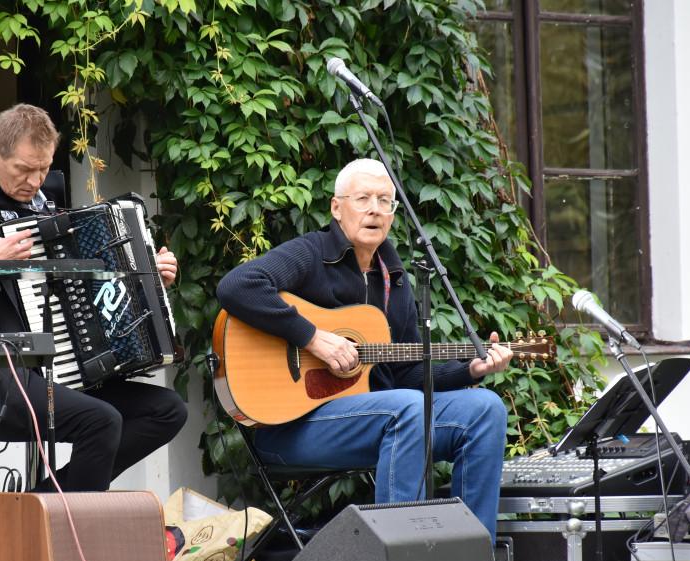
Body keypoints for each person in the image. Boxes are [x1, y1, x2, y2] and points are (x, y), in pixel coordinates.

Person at [0, 103, 187, 492]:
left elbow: (86, 293)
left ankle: (39, 507)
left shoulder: (51, 210)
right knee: (101, 421)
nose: (35, 181)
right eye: (24, 169)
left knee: (167, 410)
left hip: (60, 372)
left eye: (44, 169)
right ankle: (63, 528)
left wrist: (147, 280)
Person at [215, 158, 512, 539]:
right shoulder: (312, 253)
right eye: (362, 198)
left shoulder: (397, 279)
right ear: (337, 208)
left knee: (486, 409)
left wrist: (471, 370)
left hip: (382, 417)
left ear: (392, 214)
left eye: (385, 200)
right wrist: (312, 337)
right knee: (406, 408)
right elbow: (237, 285)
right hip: (290, 428)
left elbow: (404, 372)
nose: (374, 208)